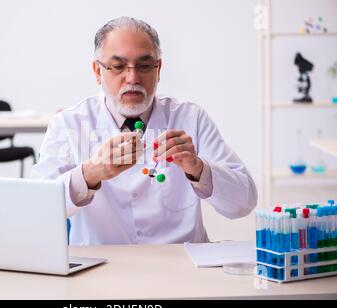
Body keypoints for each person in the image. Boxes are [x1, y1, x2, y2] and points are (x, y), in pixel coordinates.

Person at [31, 16, 257, 245]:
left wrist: (198, 169)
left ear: (158, 69)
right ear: (97, 72)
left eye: (145, 65)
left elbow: (243, 203)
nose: (132, 78)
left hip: (182, 265)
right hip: (103, 267)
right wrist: (89, 173)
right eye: (118, 66)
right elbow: (36, 209)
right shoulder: (70, 124)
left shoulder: (191, 118)